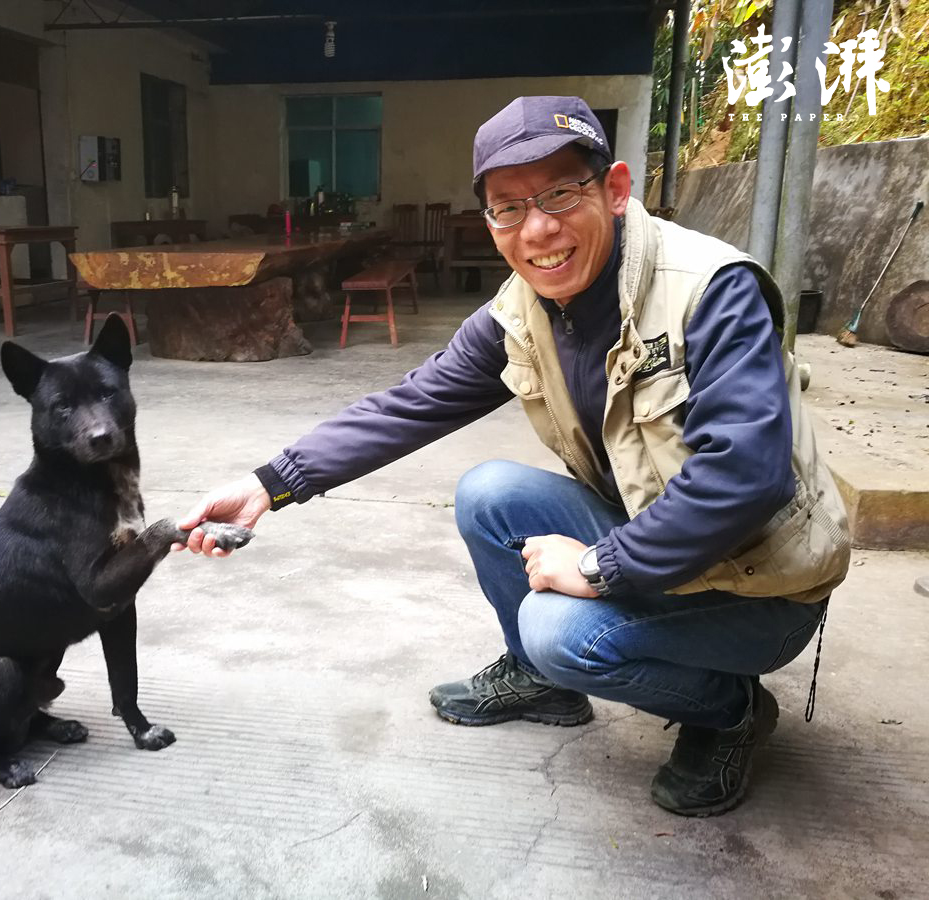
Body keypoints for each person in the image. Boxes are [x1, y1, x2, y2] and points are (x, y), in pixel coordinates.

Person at [175, 96, 851, 817]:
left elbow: (744, 477)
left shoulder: (711, 290)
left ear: (615, 189)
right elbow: (411, 404)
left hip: (762, 586)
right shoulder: (521, 310)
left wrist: (599, 566)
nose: (537, 230)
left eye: (561, 193)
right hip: (662, 547)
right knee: (489, 492)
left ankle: (729, 711)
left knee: (558, 631)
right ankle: (544, 684)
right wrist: (269, 484)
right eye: (508, 208)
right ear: (489, 220)